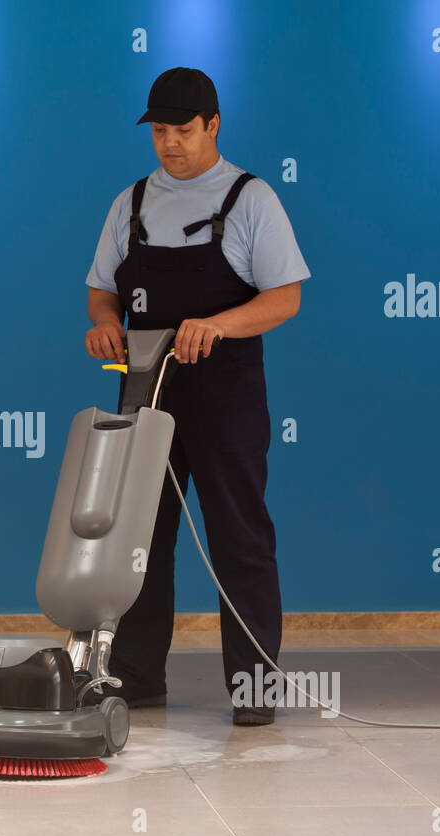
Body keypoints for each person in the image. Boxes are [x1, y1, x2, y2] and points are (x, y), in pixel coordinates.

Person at [84, 67, 310, 726]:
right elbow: (103, 290)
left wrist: (217, 325)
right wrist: (104, 326)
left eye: (183, 130)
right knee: (139, 540)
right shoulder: (130, 204)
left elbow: (285, 297)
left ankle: (255, 689)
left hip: (225, 392)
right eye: (159, 131)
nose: (170, 143)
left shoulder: (251, 199)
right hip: (145, 388)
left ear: (213, 125)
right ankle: (135, 675)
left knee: (240, 536)